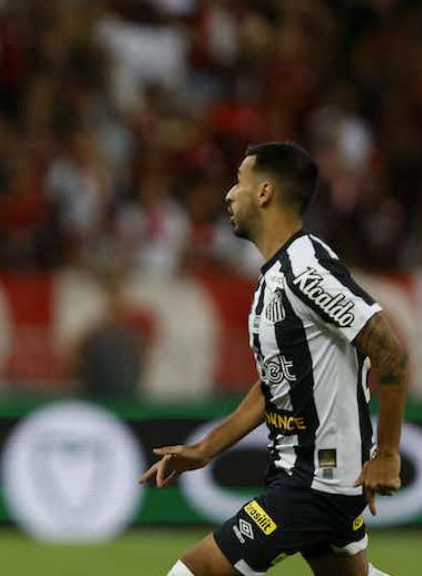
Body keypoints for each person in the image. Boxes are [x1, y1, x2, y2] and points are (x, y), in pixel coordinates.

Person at [141, 143, 406, 576]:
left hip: (316, 481)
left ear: (264, 192)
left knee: (195, 571)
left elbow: (389, 351)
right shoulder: (275, 276)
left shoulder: (307, 270)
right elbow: (277, 384)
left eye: (238, 182)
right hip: (306, 476)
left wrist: (389, 454)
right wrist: (206, 449)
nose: (229, 194)